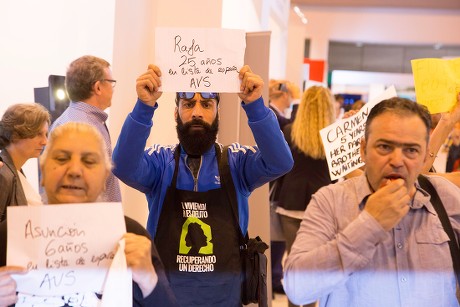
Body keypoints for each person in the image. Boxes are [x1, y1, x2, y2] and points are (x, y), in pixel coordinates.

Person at [112, 64, 293, 306]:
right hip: (165, 298)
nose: (197, 112)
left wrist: (256, 106)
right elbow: (123, 166)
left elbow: (280, 162)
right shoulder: (160, 162)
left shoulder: (236, 163)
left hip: (225, 298)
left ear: (218, 113)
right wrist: (144, 107)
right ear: (176, 113)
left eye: (206, 105)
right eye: (188, 104)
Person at [284, 97, 460, 306]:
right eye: (384, 147)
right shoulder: (331, 201)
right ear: (363, 150)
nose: (396, 161)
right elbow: (297, 289)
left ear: (425, 157)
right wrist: (369, 226)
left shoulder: (446, 198)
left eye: (411, 150)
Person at [0, 122, 178, 307]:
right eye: (61, 158)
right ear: (42, 172)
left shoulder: (132, 235)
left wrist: (150, 282)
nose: (75, 171)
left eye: (89, 161)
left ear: (104, 179)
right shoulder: (8, 236)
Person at [276, 86, 336, 307]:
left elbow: (279, 169)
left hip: (290, 204)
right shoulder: (334, 136)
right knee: (314, 266)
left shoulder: (290, 131)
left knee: (293, 262)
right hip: (322, 206)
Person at [50, 55, 121, 202]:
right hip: (91, 221)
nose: (113, 89)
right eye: (111, 83)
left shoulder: (73, 120)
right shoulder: (81, 129)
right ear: (98, 87)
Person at [0, 103, 50, 221]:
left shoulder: (15, 171)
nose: (45, 142)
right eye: (39, 134)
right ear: (16, 135)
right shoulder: (3, 174)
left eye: (46, 134)